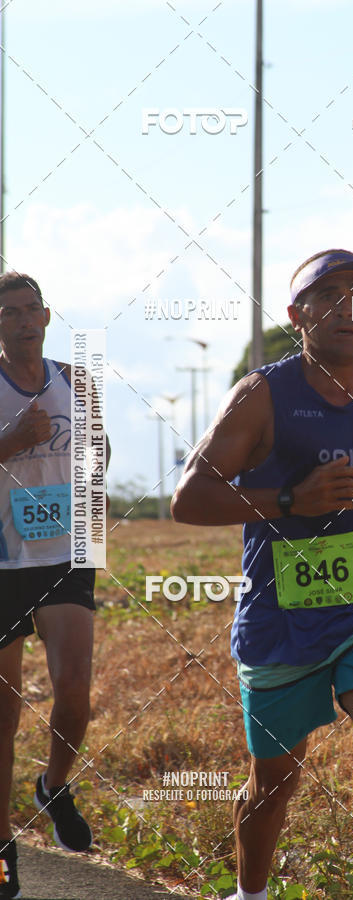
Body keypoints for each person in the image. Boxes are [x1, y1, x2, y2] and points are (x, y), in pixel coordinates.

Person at [171, 249, 353, 900]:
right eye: (331, 295)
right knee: (274, 782)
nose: (350, 307)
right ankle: (251, 893)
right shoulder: (262, 394)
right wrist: (291, 501)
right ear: (298, 316)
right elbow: (188, 498)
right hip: (281, 619)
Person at [0, 273, 109, 899]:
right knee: (2, 716)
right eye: (8, 313)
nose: (22, 321)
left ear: (47, 315)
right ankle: (2, 843)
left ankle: (53, 786)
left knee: (74, 690)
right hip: (0, 565)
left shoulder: (79, 382)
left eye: (30, 310)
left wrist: (88, 531)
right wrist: (12, 441)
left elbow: (99, 458)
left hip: (65, 558)